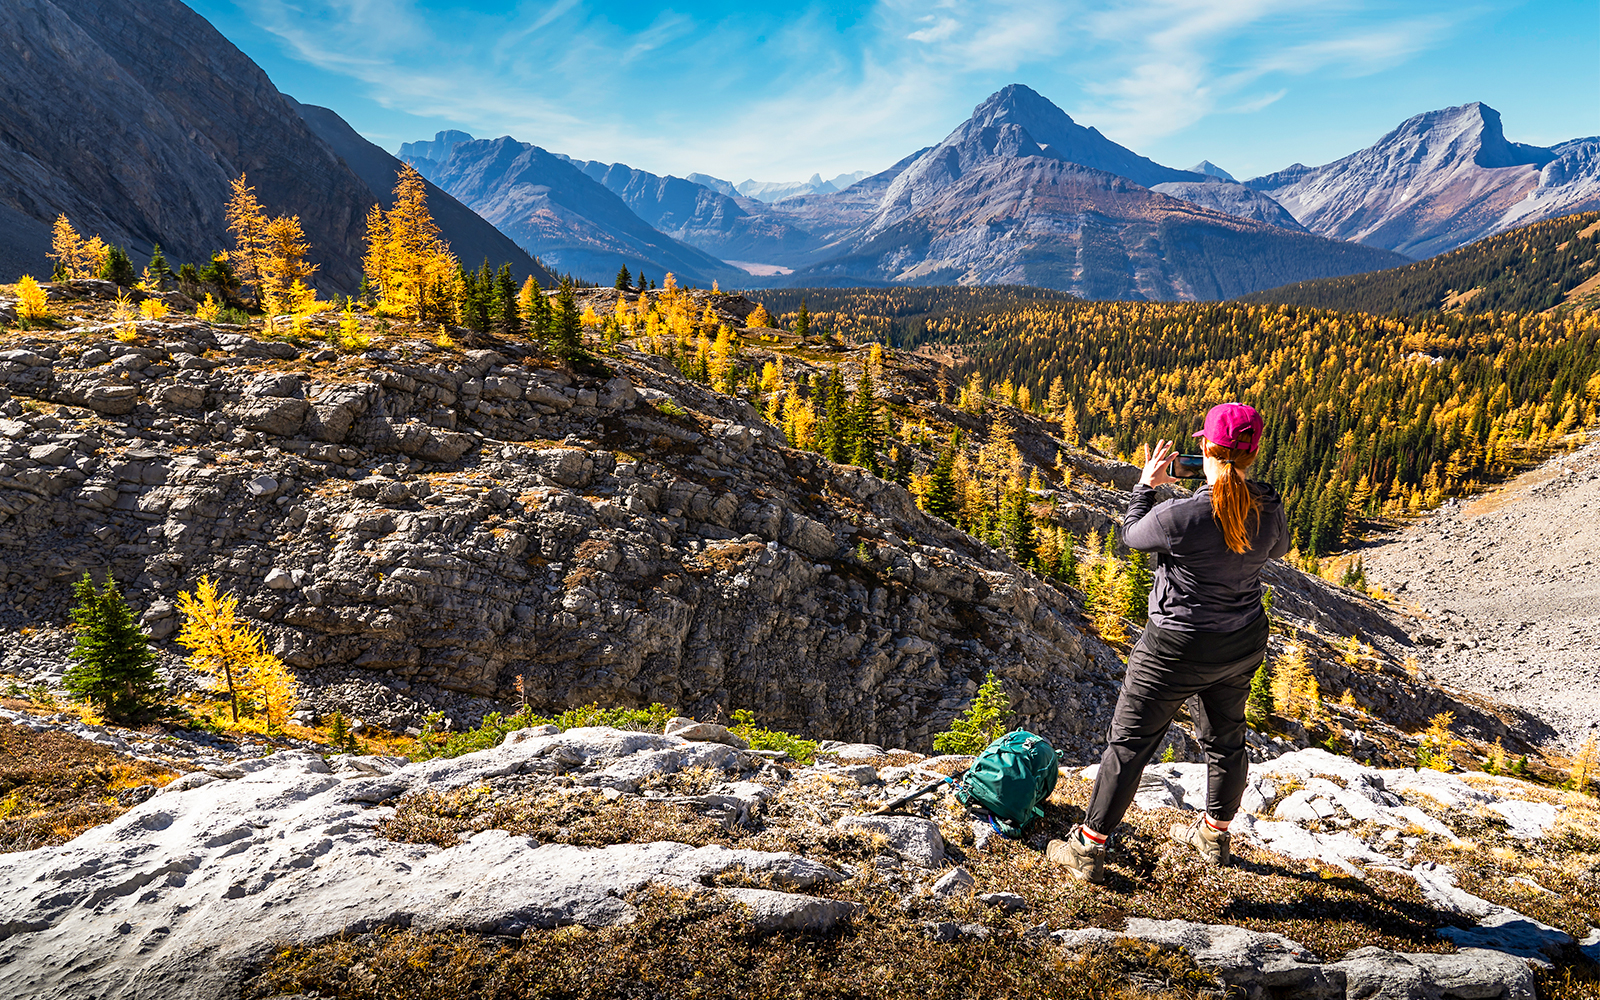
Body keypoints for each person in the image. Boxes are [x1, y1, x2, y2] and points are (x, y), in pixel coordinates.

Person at [1047, 402, 1288, 883]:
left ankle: (1088, 848)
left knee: (1130, 744)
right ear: (1253, 452)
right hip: (1241, 642)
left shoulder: (1181, 515)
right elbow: (1276, 549)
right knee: (1226, 738)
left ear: (1205, 447)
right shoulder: (1269, 508)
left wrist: (1145, 487)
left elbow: (1131, 536)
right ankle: (1214, 834)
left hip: (1174, 647)